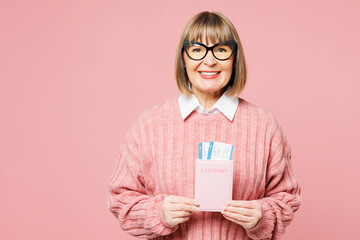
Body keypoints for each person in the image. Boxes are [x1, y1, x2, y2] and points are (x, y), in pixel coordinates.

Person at [107, 11, 301, 240]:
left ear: (234, 58)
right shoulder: (148, 126)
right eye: (197, 49)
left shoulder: (264, 126)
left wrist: (263, 215)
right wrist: (157, 213)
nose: (209, 60)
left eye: (221, 50)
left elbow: (287, 197)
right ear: (184, 59)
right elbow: (120, 198)